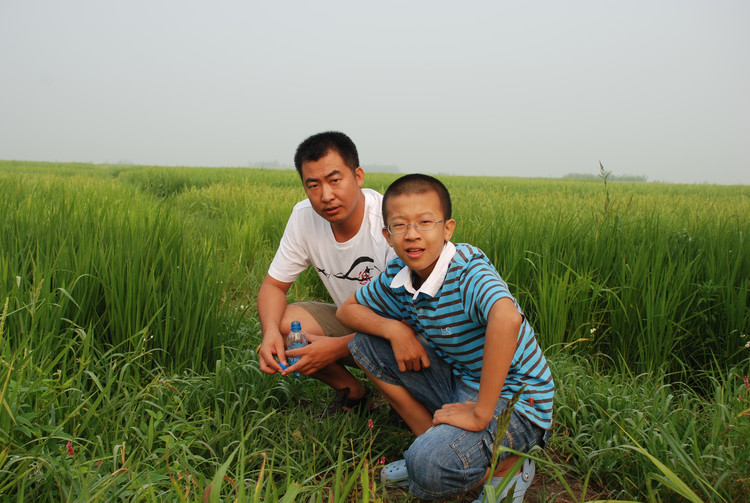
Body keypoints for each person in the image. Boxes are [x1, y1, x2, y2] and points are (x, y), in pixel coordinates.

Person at [337, 174, 554, 502]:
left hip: (518, 400)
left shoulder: (467, 270)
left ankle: (507, 467)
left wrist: (482, 411)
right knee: (364, 343)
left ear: (447, 228)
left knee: (430, 466)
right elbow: (347, 311)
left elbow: (507, 319)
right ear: (387, 235)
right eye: (400, 225)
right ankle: (430, 441)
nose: (412, 235)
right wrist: (395, 329)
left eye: (425, 222)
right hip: (462, 382)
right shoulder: (400, 275)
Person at [257, 131, 395, 415]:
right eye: (313, 185)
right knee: (285, 326)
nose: (326, 196)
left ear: (358, 176)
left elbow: (413, 318)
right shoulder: (303, 217)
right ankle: (354, 394)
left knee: (416, 416)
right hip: (353, 322)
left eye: (334, 180)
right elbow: (273, 287)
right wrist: (268, 332)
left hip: (399, 333)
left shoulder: (390, 219)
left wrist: (337, 348)